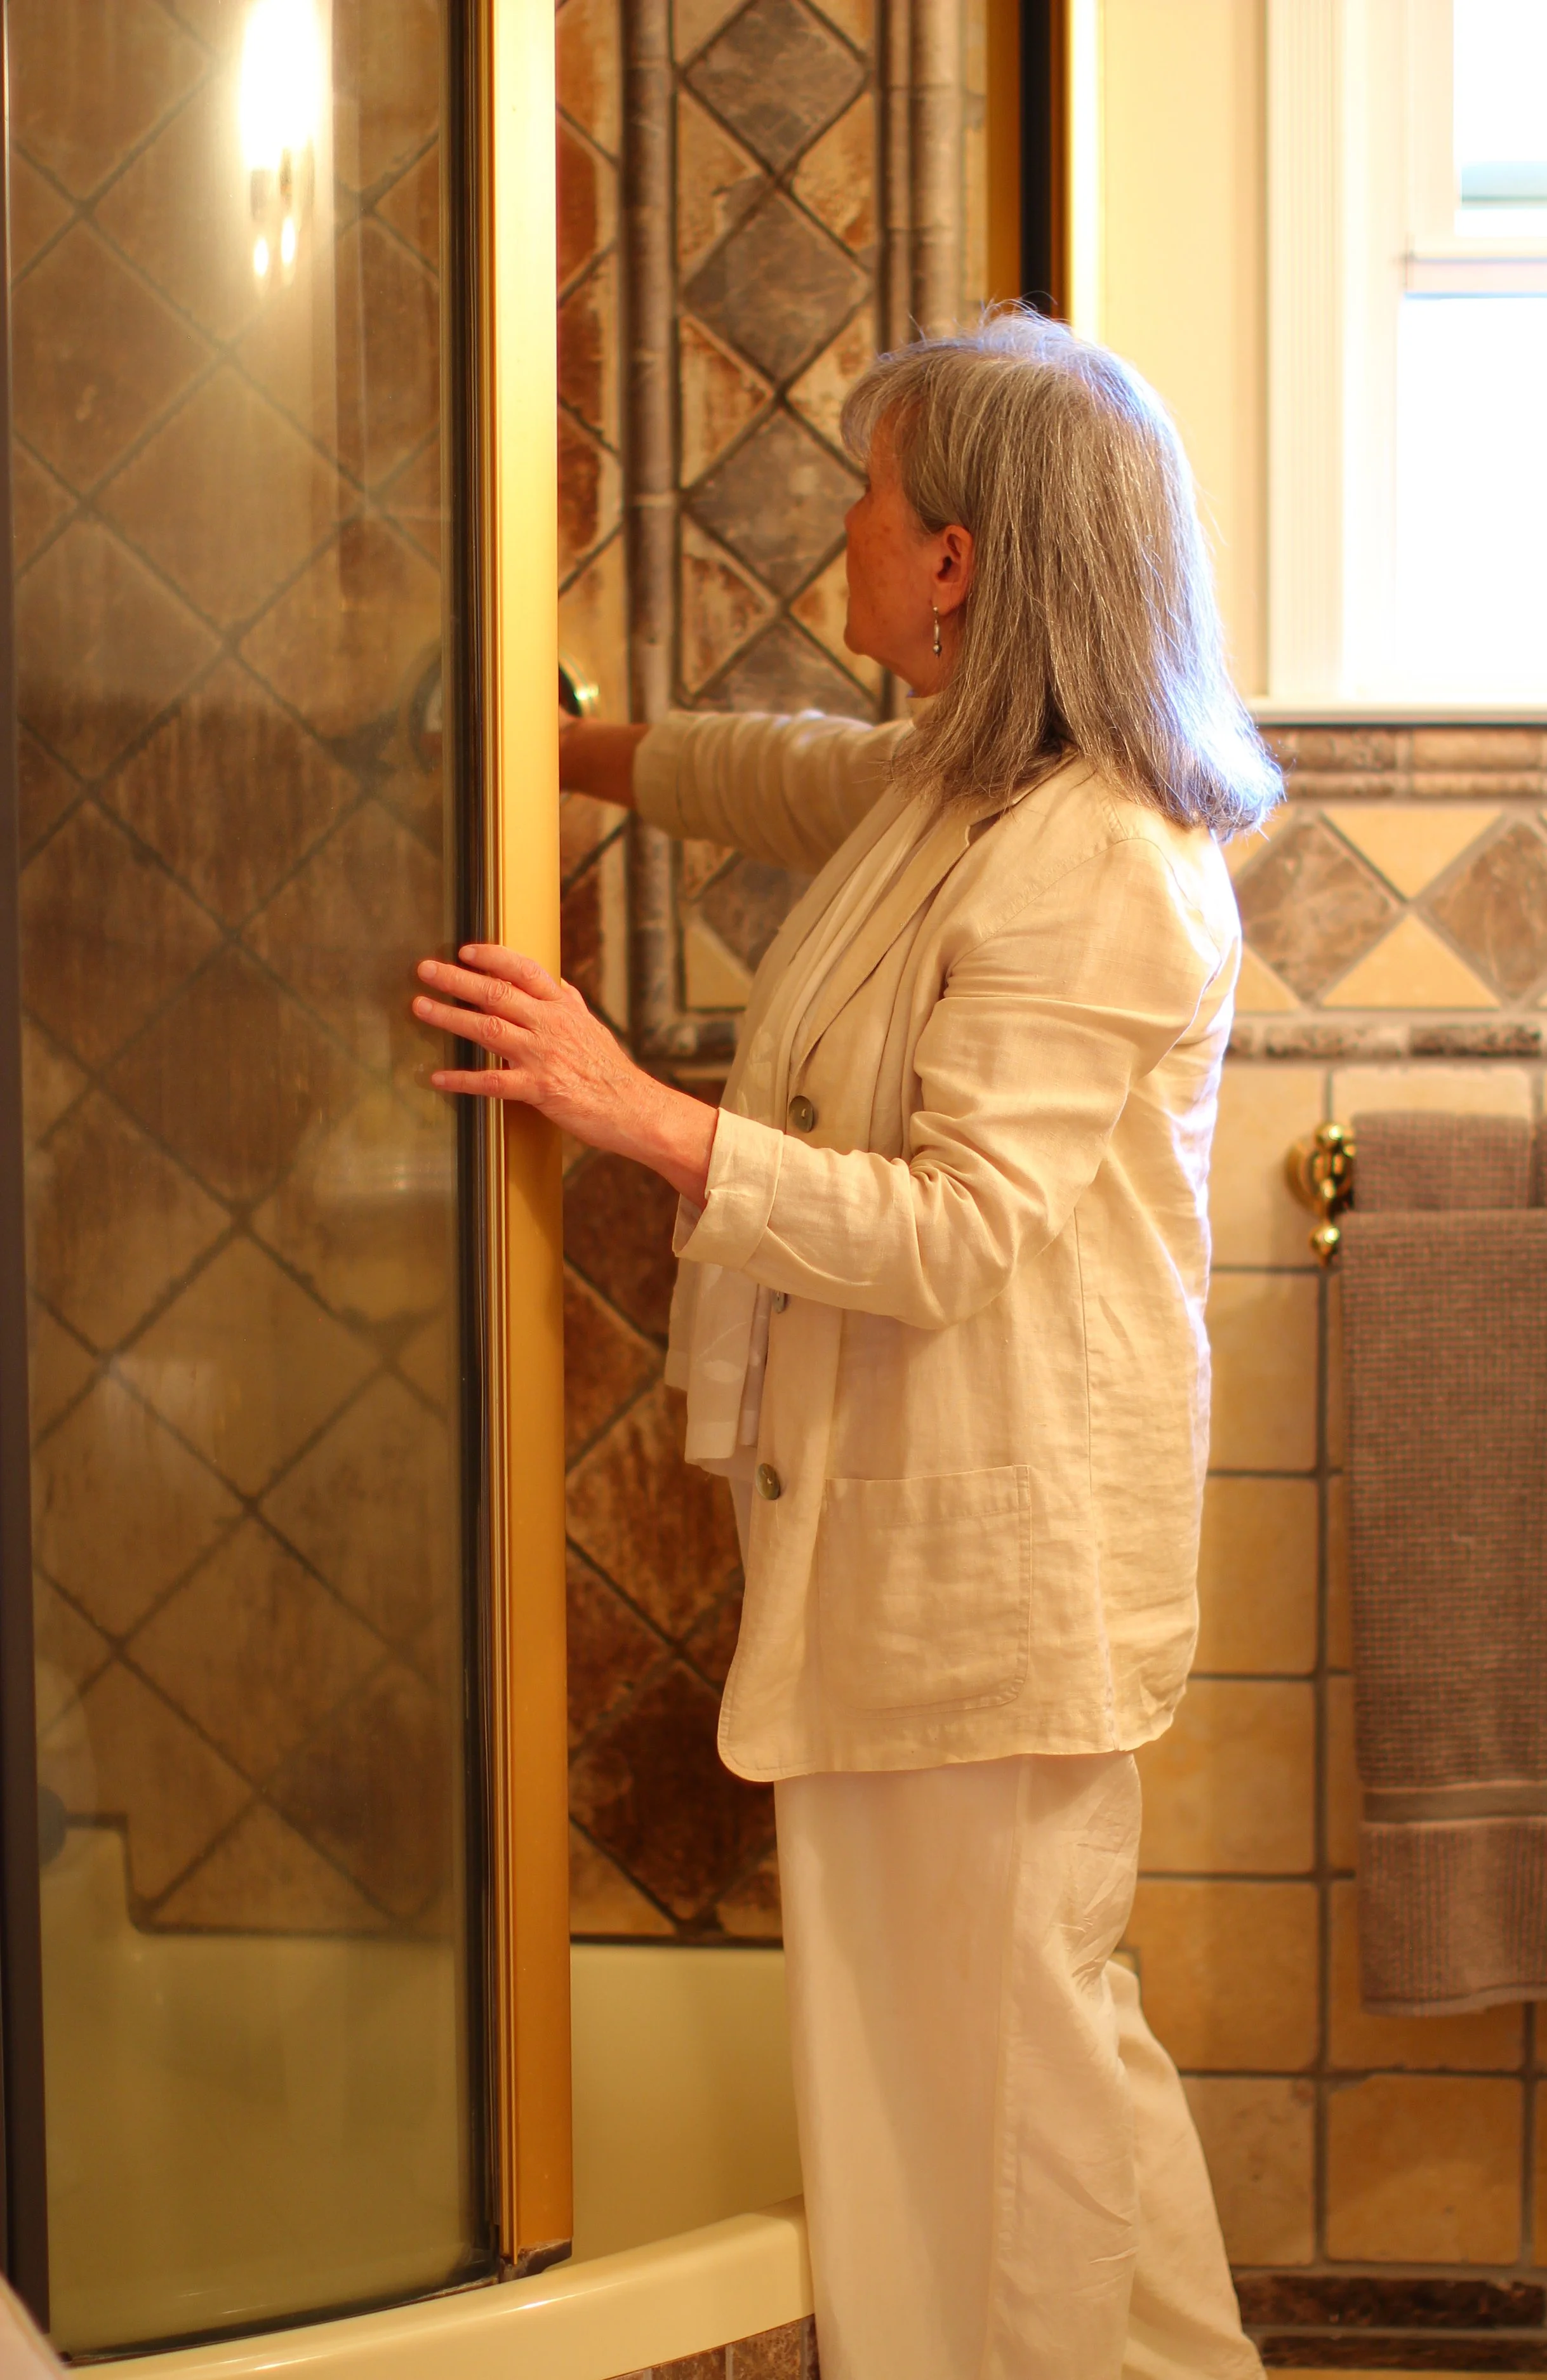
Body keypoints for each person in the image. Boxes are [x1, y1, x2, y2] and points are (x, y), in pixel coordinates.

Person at [413, 309, 1282, 2380]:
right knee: (996, 2084)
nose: (844, 533)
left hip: (1002, 1576)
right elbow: (775, 768)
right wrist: (558, 750)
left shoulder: (1099, 865)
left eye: (868, 499)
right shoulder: (963, 785)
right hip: (929, 1558)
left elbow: (963, 1229)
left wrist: (631, 1108)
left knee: (1014, 2110)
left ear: (960, 559)